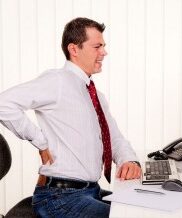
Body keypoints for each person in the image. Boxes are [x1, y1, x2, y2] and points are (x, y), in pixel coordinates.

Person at [0, 17, 141, 218]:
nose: (104, 52)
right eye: (97, 47)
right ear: (74, 49)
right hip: (60, 197)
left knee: (144, 209)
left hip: (90, 191)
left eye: (104, 46)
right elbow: (3, 103)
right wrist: (40, 142)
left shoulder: (95, 95)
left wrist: (129, 160)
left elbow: (115, 138)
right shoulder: (57, 81)